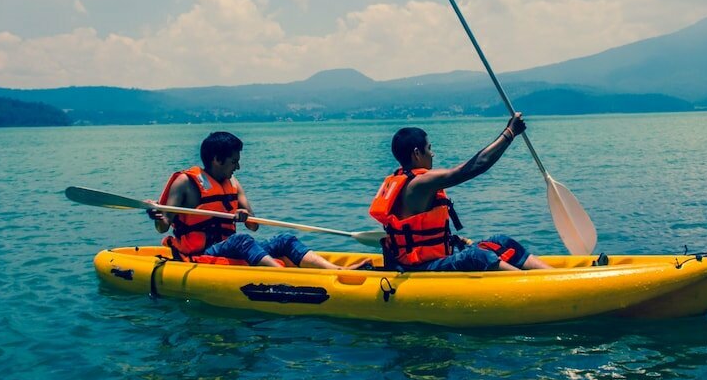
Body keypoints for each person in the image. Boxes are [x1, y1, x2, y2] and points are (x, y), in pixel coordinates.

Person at [151, 131, 361, 269]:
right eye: (234, 161)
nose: (238, 167)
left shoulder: (233, 182)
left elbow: (253, 226)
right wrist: (157, 215)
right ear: (217, 159)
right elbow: (163, 227)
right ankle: (285, 276)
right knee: (240, 241)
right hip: (199, 255)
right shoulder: (184, 182)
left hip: (231, 249)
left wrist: (245, 216)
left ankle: (338, 271)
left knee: (285, 240)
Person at [369, 113, 552, 272]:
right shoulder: (419, 183)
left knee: (500, 241)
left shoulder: (412, 181)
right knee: (476, 256)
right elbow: (474, 167)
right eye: (429, 148)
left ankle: (552, 274)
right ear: (417, 153)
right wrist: (509, 133)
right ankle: (533, 284)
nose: (432, 154)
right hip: (418, 267)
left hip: (434, 257)